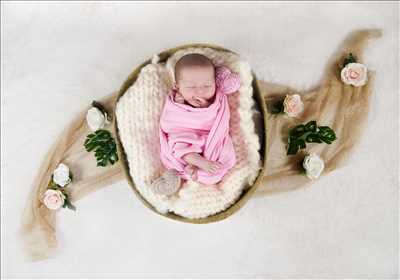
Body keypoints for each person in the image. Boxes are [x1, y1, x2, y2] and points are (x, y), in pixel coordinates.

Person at [151, 53, 240, 195]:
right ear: (177, 87)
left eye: (206, 85)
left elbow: (217, 116)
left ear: (214, 83)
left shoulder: (216, 100)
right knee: (180, 146)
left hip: (210, 136)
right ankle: (197, 163)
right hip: (183, 134)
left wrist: (206, 107)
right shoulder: (175, 101)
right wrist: (179, 104)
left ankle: (194, 168)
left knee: (225, 151)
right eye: (191, 87)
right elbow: (170, 120)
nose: (200, 91)